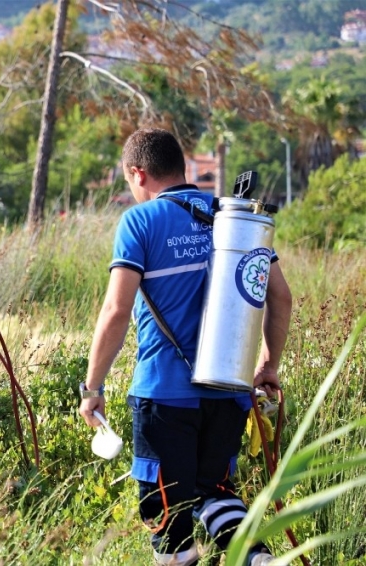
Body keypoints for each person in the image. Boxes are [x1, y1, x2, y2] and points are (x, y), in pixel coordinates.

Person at [78, 128, 292, 566]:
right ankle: (258, 559)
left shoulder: (140, 221)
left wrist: (92, 387)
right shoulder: (234, 216)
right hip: (228, 386)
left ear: (138, 173)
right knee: (214, 493)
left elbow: (117, 310)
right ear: (182, 167)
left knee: (168, 516)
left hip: (164, 394)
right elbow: (281, 296)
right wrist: (269, 364)